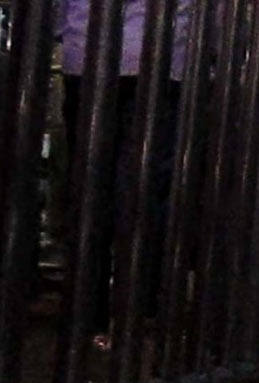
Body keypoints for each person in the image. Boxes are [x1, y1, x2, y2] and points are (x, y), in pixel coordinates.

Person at [58, 0, 194, 345]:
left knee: (90, 186)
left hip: (87, 55)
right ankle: (138, 305)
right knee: (143, 186)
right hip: (160, 60)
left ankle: (88, 315)